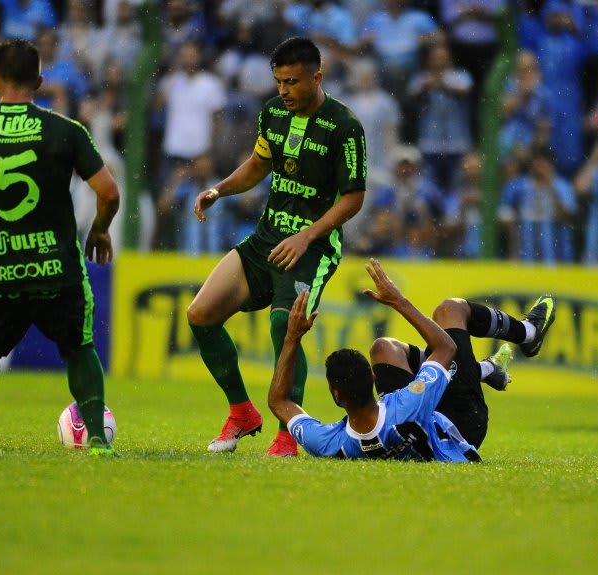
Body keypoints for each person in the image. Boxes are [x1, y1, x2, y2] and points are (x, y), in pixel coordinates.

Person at [0, 38, 120, 456]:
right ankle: (95, 437)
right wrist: (100, 231)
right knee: (78, 348)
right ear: (39, 81)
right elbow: (108, 193)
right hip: (58, 272)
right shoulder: (66, 131)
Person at [190, 36, 366, 457]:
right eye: (278, 81)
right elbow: (258, 165)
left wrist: (307, 235)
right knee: (200, 315)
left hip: (314, 248)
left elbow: (354, 197)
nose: (283, 91)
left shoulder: (344, 126)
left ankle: (289, 432)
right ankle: (242, 413)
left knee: (284, 326)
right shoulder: (272, 114)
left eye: (291, 82)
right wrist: (219, 190)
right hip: (267, 239)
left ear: (317, 77)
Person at [268, 259, 557, 461]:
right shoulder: (406, 403)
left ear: (336, 395)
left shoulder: (330, 442)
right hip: (462, 424)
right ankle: (529, 333)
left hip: (419, 419)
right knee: (449, 310)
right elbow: (446, 347)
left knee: (384, 347)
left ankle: (484, 370)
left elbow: (279, 402)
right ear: (372, 381)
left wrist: (292, 337)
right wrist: (398, 301)